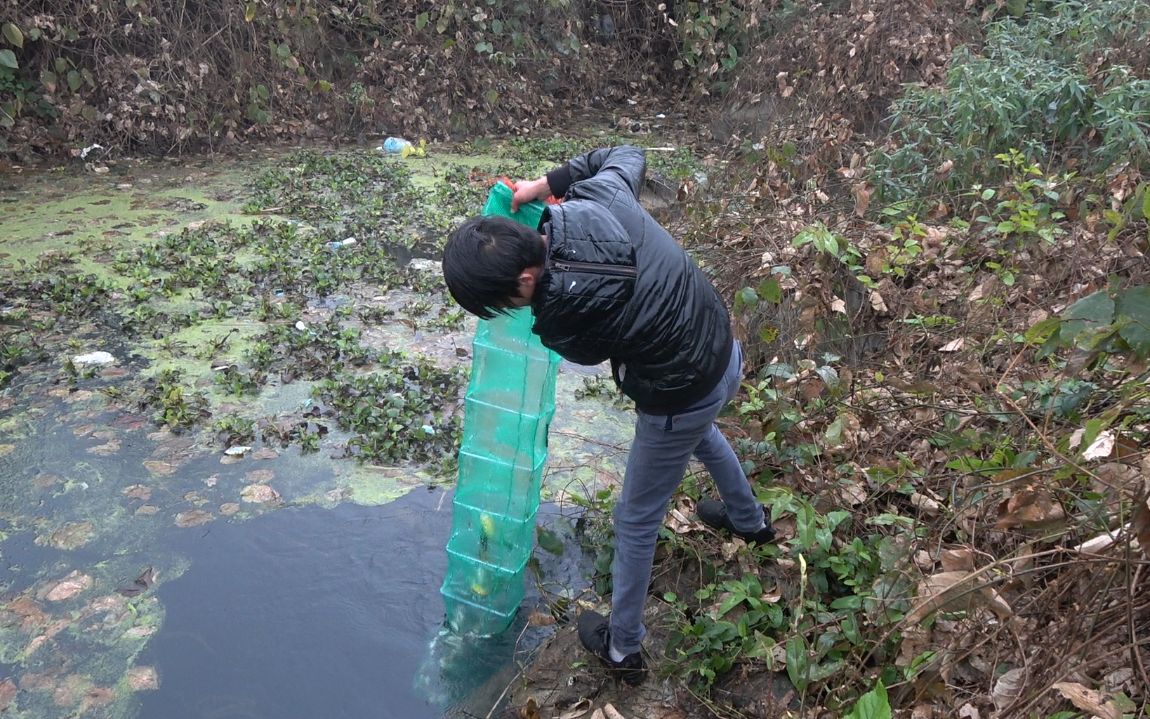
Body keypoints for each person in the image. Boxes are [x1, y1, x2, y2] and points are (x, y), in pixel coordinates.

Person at [442, 145, 775, 686]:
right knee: (703, 432)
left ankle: (624, 650)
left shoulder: (561, 319)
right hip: (723, 350)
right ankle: (750, 521)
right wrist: (546, 184)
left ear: (525, 279)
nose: (508, 311)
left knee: (637, 519)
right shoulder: (604, 194)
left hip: (681, 391)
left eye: (502, 302)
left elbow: (586, 346)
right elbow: (624, 152)